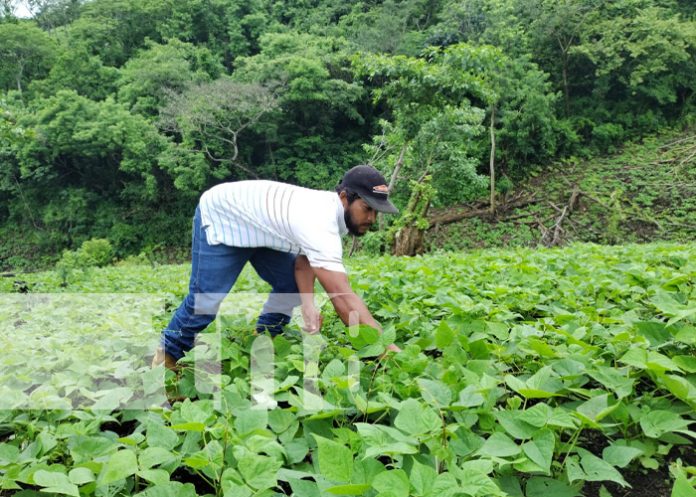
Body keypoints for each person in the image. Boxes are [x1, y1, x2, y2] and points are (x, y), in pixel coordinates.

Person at [152, 165, 401, 369]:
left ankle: (263, 340)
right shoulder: (319, 221)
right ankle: (166, 358)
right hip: (223, 215)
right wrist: (384, 348)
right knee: (205, 301)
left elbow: (304, 263)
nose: (371, 219)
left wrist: (308, 304)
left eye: (376, 212)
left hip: (261, 228)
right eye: (367, 209)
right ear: (345, 198)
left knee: (289, 285)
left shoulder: (333, 216)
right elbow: (343, 299)